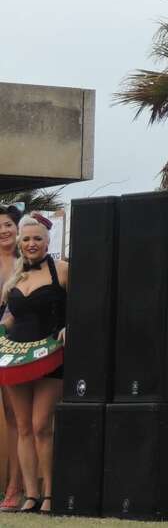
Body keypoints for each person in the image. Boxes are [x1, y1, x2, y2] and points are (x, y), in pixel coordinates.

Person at [0, 213, 68, 513]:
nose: (31, 244)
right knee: (24, 427)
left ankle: (50, 493)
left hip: (52, 357)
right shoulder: (17, 276)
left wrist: (71, 326)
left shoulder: (63, 270)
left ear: (47, 241)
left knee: (42, 425)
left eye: (37, 239)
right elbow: (10, 319)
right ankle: (30, 494)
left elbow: (85, 304)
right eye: (26, 239)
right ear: (20, 242)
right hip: (17, 360)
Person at [0, 207, 21, 512]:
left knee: (16, 416)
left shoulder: (29, 264)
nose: (3, 230)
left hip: (17, 346)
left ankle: (15, 488)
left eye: (7, 224)